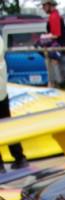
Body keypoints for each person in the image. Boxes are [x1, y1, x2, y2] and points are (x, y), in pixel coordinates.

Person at [0, 33, 28, 172]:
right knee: (8, 124)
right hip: (2, 91)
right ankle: (19, 157)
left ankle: (3, 163)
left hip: (1, 91)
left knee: (7, 125)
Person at [39, 0, 65, 96]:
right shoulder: (57, 15)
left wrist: (44, 37)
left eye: (44, 5)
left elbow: (56, 35)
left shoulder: (54, 16)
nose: (42, 8)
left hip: (59, 52)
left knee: (56, 79)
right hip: (62, 50)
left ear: (49, 5)